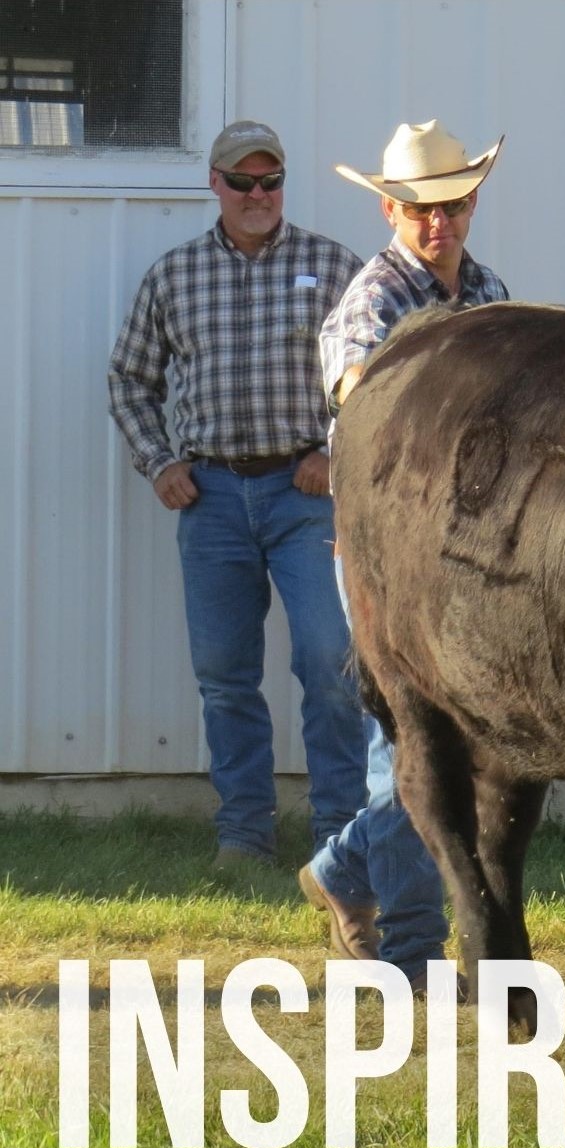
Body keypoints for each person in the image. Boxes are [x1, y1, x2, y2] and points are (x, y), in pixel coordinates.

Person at [108, 120, 367, 871]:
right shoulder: (174, 275)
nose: (259, 195)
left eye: (271, 181)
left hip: (305, 495)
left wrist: (331, 450)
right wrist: (159, 462)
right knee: (224, 671)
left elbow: (377, 376)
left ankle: (339, 834)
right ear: (214, 184)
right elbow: (129, 379)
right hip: (211, 496)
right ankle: (245, 834)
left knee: (330, 660)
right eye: (243, 182)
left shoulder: (335, 267)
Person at [297, 120, 509, 984]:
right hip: (387, 554)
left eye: (452, 206)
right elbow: (361, 402)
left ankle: (345, 871)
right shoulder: (373, 301)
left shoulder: (491, 291)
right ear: (389, 209)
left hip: (465, 549)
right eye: (420, 210)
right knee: (411, 741)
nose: (438, 224)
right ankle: (410, 944)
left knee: (447, 740)